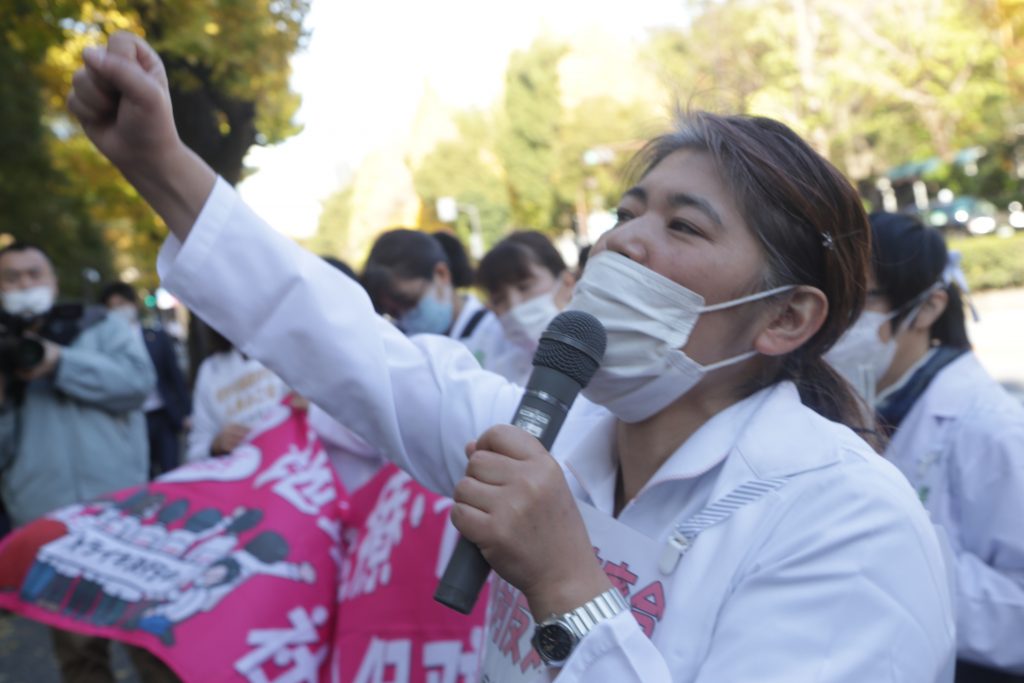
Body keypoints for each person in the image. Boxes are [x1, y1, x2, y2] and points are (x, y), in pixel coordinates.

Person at [70, 33, 955, 681]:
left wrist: (568, 586)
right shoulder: (545, 442)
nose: (620, 242)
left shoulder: (843, 518)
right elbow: (341, 340)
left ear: (788, 318)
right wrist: (162, 163)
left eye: (682, 226)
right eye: (628, 210)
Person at [827, 212, 1024, 683]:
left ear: (929, 308)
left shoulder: (992, 429)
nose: (835, 318)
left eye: (859, 299)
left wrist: (897, 553)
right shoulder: (856, 403)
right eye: (831, 295)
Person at [0, 241, 156, 682]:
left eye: (33, 274)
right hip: (48, 523)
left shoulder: (101, 327)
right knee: (79, 655)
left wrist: (60, 362)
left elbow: (136, 384)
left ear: (53, 280)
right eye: (11, 278)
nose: (24, 285)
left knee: (148, 637)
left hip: (122, 513)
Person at [362, 228, 514, 370]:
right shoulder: (403, 349)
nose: (405, 318)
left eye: (408, 302)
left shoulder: (501, 333)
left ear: (441, 274)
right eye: (394, 313)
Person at [101, 281, 191, 477]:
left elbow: (174, 376)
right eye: (112, 307)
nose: (118, 311)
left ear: (133, 304)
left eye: (122, 304)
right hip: (130, 420)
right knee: (143, 476)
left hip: (163, 416)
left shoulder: (157, 337)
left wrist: (186, 412)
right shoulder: (105, 346)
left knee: (172, 472)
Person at [476, 231, 577, 384]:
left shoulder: (611, 356)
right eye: (500, 299)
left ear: (567, 282)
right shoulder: (498, 377)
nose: (514, 306)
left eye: (525, 287)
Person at [185, 325, 290, 462]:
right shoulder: (210, 371)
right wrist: (215, 445)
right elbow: (196, 451)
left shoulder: (284, 345)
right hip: (246, 473)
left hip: (294, 461)